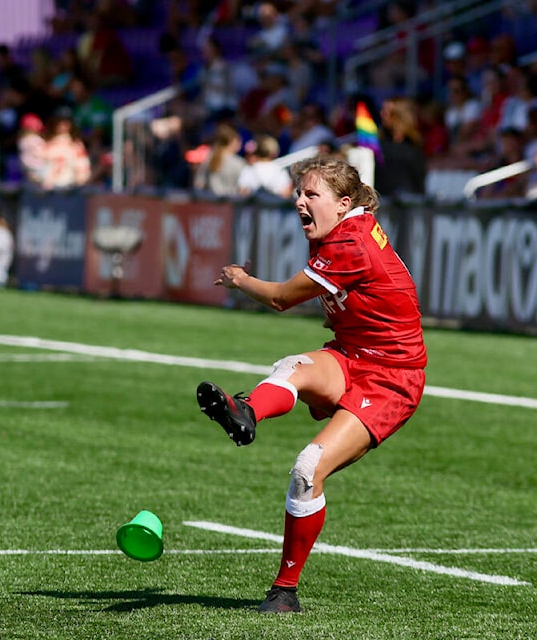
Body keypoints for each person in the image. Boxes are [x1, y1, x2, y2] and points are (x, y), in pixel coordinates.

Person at [196, 155, 426, 614]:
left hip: (393, 378)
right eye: (299, 193)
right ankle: (246, 413)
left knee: (308, 467)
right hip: (353, 354)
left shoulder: (351, 243)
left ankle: (285, 591)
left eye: (310, 194)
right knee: (293, 364)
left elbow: (281, 299)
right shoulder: (342, 230)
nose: (299, 202)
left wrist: (241, 280)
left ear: (343, 204)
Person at [193, 122, 246, 196]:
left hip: (210, 202)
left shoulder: (208, 158)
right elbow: (243, 188)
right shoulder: (239, 162)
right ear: (232, 142)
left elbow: (199, 184)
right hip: (230, 203)